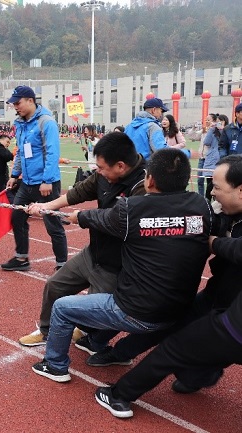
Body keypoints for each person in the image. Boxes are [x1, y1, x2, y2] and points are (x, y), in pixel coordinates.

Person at [31, 148, 213, 383]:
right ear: (187, 180)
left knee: (64, 307)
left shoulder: (132, 209)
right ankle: (95, 342)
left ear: (150, 180)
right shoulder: (202, 206)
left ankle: (55, 365)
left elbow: (96, 217)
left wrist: (77, 216)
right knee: (123, 291)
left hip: (138, 313)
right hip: (179, 310)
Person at [94, 155, 242, 419]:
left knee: (175, 348)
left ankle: (120, 394)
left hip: (233, 316)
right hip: (216, 296)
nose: (212, 194)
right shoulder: (225, 213)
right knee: (175, 324)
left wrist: (214, 243)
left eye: (218, 188)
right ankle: (123, 353)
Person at [18, 132, 146, 347]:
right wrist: (46, 207)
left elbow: (118, 221)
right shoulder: (103, 176)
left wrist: (83, 217)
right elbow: (79, 192)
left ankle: (89, 336)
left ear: (121, 166)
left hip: (118, 264)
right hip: (93, 252)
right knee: (55, 285)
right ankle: (46, 330)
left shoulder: (145, 185)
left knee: (96, 313)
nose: (98, 171)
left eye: (102, 167)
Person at [0, 85, 68, 272]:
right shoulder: (20, 124)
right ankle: (22, 259)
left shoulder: (46, 122)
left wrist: (47, 180)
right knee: (17, 217)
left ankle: (62, 264)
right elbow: (21, 152)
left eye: (18, 102)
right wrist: (14, 175)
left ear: (30, 100)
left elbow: (53, 153)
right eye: (13, 103)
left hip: (46, 183)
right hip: (27, 182)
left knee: (52, 224)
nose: (16, 106)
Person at [203, 114, 228, 200]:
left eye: (220, 121)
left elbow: (226, 142)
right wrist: (211, 129)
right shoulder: (213, 131)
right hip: (212, 160)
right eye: (217, 121)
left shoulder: (228, 131)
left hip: (223, 160)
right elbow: (206, 142)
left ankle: (217, 203)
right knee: (210, 184)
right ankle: (207, 203)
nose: (218, 123)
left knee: (218, 184)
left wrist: (223, 130)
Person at [197, 114, 217, 196]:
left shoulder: (215, 131)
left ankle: (208, 198)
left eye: (209, 120)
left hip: (209, 159)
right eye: (206, 120)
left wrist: (211, 130)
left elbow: (208, 143)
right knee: (200, 181)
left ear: (214, 121)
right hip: (201, 158)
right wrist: (195, 127)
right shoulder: (204, 131)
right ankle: (201, 198)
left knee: (210, 181)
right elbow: (193, 136)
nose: (207, 121)